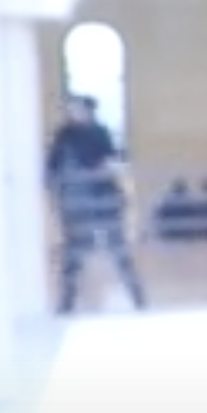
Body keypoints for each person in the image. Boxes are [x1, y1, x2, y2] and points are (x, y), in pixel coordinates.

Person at [44, 95, 146, 314]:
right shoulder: (64, 135)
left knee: (118, 251)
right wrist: (55, 190)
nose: (72, 112)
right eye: (70, 108)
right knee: (73, 255)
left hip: (102, 201)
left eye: (76, 108)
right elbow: (52, 166)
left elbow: (110, 161)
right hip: (75, 204)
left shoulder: (100, 133)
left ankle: (138, 297)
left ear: (88, 111)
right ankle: (66, 303)